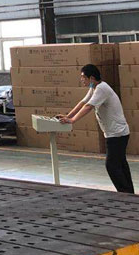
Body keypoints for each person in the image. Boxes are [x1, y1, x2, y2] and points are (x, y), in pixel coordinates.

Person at [57, 63, 134, 194]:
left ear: (91, 78)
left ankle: (125, 193)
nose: (82, 79)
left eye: (83, 77)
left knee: (112, 165)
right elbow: (83, 102)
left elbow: (89, 107)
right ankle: (129, 193)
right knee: (120, 164)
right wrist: (68, 116)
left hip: (117, 134)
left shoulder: (102, 89)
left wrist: (73, 120)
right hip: (116, 133)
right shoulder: (94, 88)